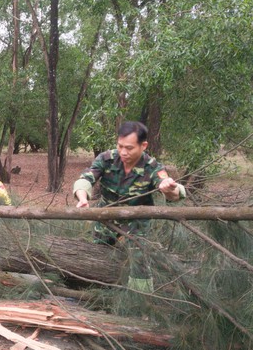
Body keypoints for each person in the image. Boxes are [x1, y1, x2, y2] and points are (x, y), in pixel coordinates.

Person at [73, 121, 185, 291]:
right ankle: (99, 294)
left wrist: (170, 188)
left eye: (129, 148)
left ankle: (139, 302)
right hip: (105, 220)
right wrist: (82, 197)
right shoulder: (106, 158)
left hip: (136, 225)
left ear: (143, 145)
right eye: (120, 146)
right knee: (98, 256)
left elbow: (173, 193)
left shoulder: (152, 167)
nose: (123, 152)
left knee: (139, 264)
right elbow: (86, 178)